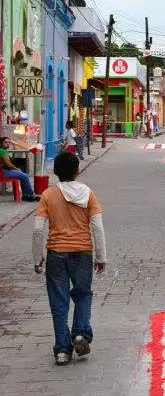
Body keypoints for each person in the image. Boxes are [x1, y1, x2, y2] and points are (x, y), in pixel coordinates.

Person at [32, 150, 106, 365]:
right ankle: (81, 333)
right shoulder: (89, 194)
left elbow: (38, 229)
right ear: (77, 170)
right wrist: (101, 256)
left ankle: (63, 350)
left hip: (56, 254)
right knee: (83, 295)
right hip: (83, 253)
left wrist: (38, 258)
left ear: (55, 172)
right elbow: (97, 227)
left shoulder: (48, 195)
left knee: (59, 302)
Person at [0, 136, 39, 202]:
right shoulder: (3, 151)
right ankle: (29, 195)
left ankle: (26, 195)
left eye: (9, 142)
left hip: (3, 171)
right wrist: (16, 168)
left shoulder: (2, 150)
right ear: (1, 143)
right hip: (4, 172)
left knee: (22, 176)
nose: (8, 144)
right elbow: (9, 165)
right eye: (5, 142)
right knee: (25, 176)